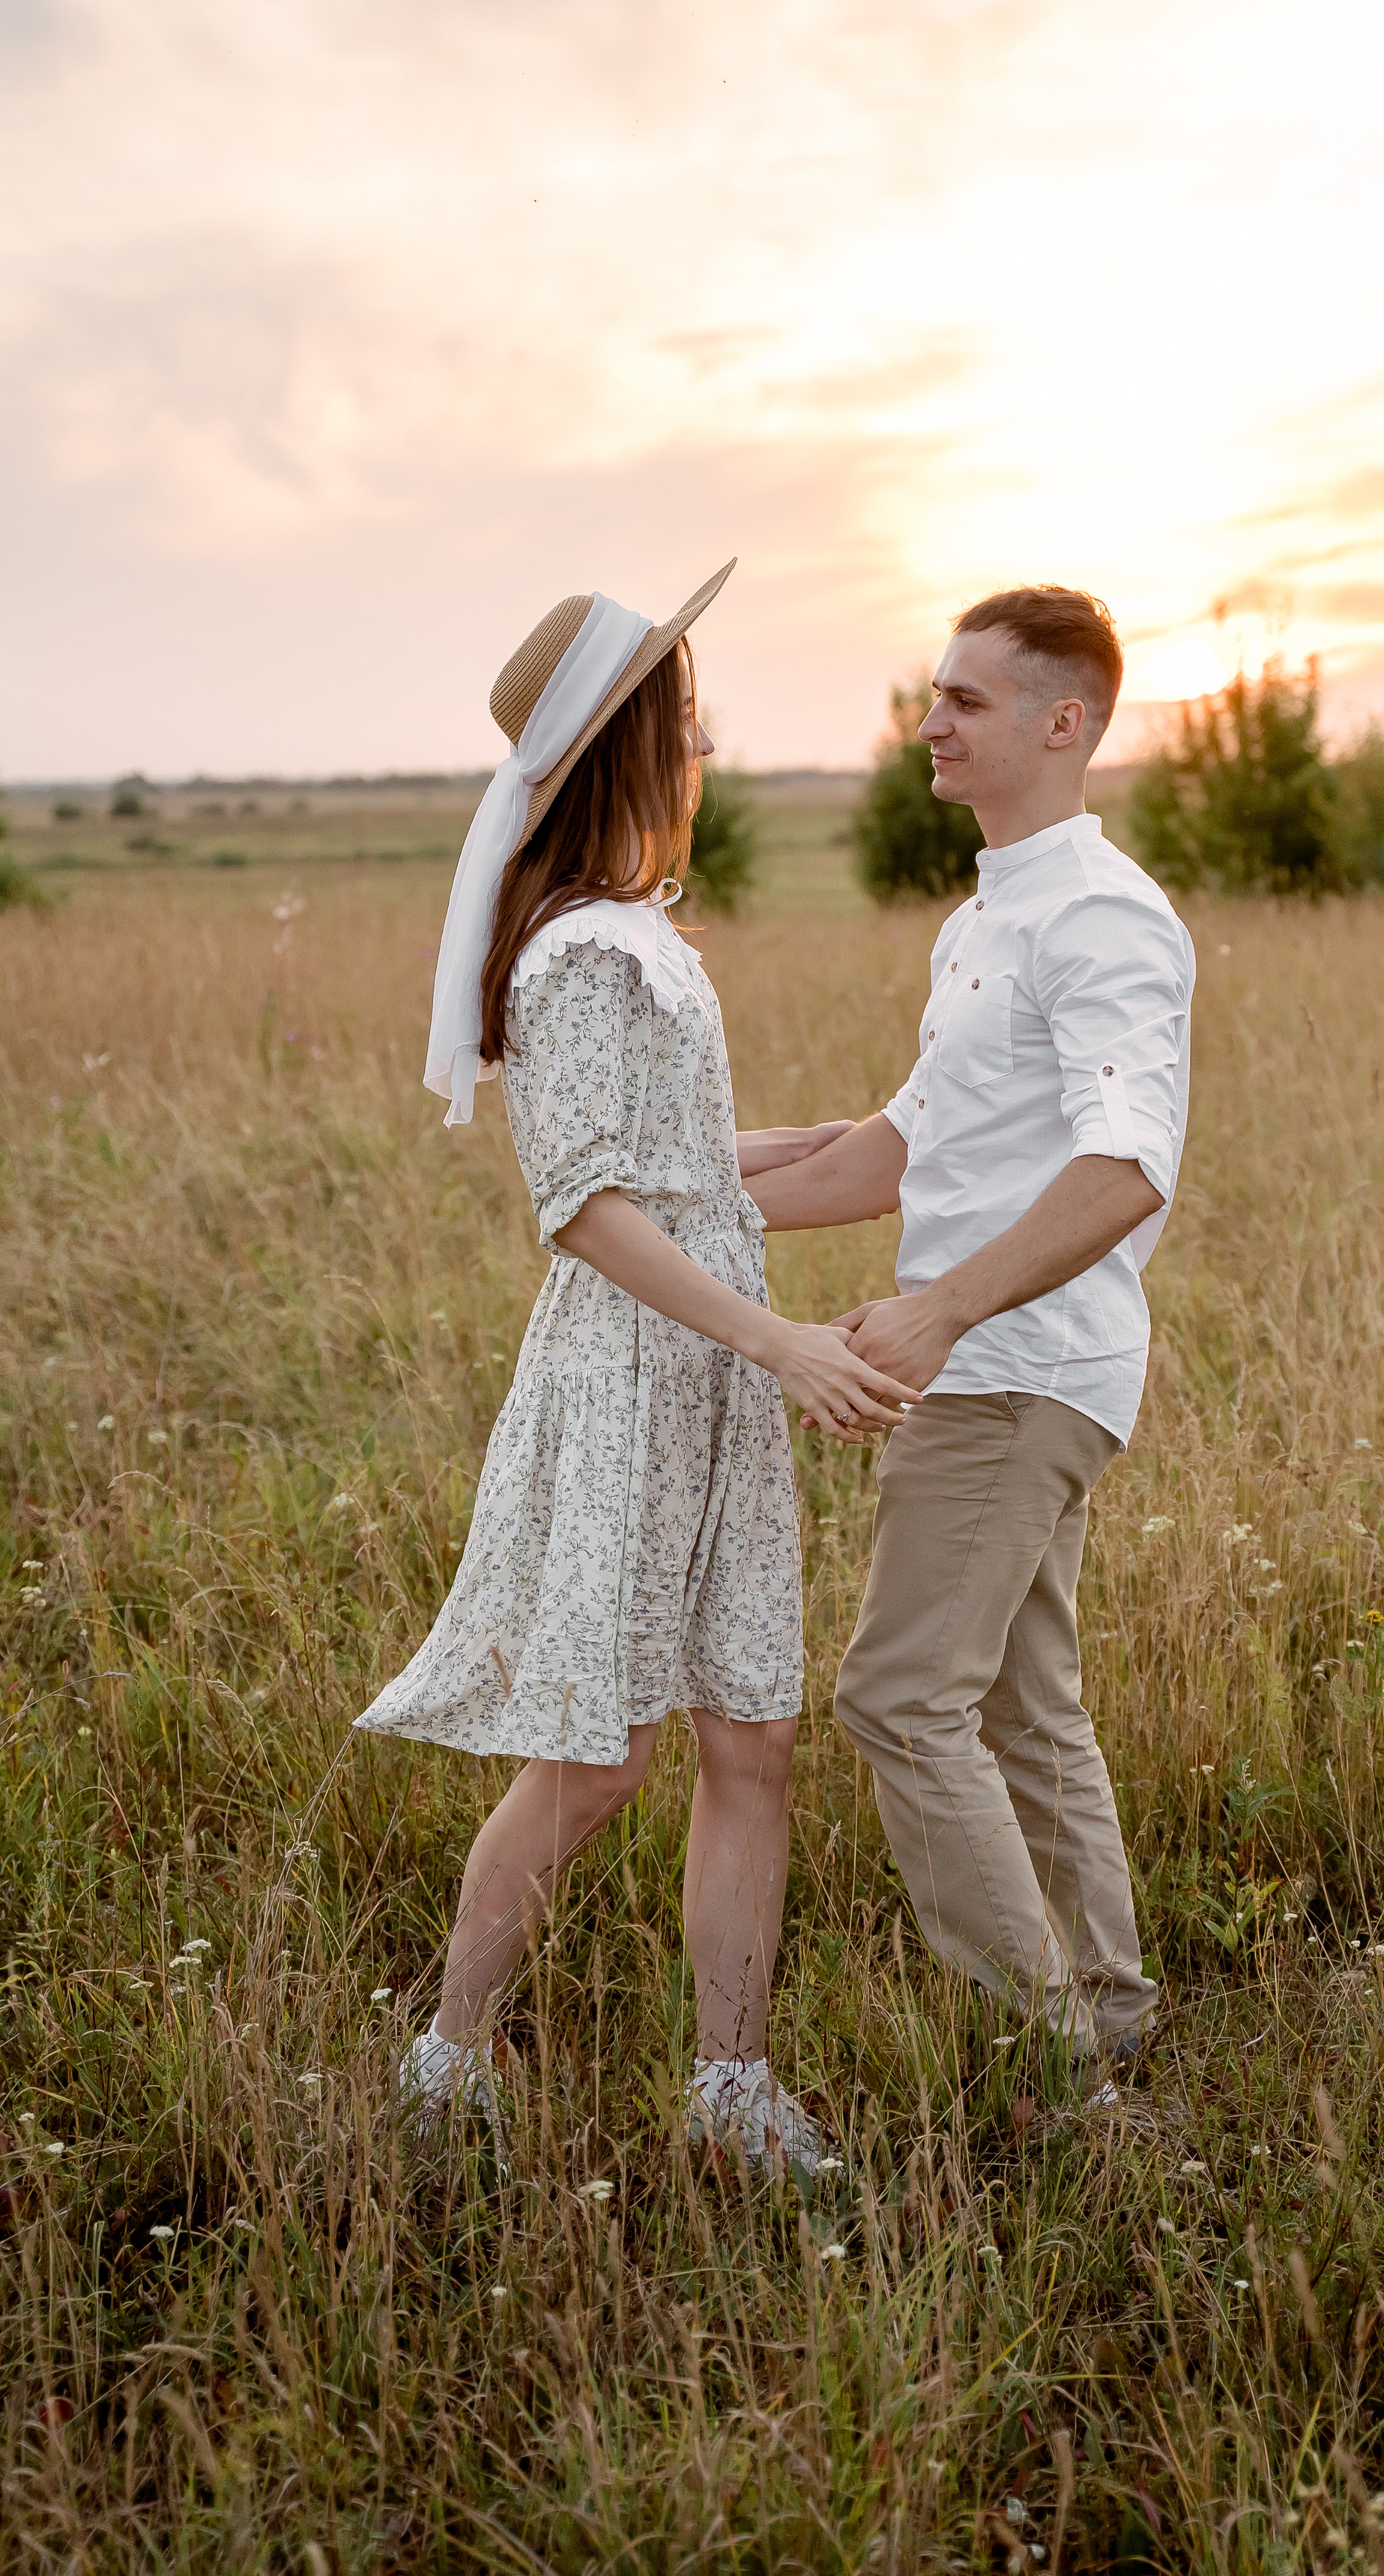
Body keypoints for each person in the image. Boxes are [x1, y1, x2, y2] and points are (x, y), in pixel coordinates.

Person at [357, 563, 914, 2172]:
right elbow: (584, 1207)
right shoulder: (575, 955)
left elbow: (666, 1160)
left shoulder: (638, 933)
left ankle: (729, 2091)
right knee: (598, 1756)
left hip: (716, 1374)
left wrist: (847, 1145)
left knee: (753, 1734)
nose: (704, 737)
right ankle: (448, 2057)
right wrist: (784, 1340)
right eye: (685, 711)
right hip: (636, 1380)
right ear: (634, 741)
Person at [749, 585, 1193, 2090]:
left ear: (1062, 724)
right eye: (931, 695)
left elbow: (1128, 1163)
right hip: (997, 1365)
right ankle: (1113, 2023)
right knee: (1016, 1703)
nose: (927, 721)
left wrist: (938, 1308)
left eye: (965, 701)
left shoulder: (1101, 921)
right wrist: (672, 1193)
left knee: (895, 1698)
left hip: (1012, 1374)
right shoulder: (982, 920)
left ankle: (1053, 2075)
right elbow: (896, 1152)